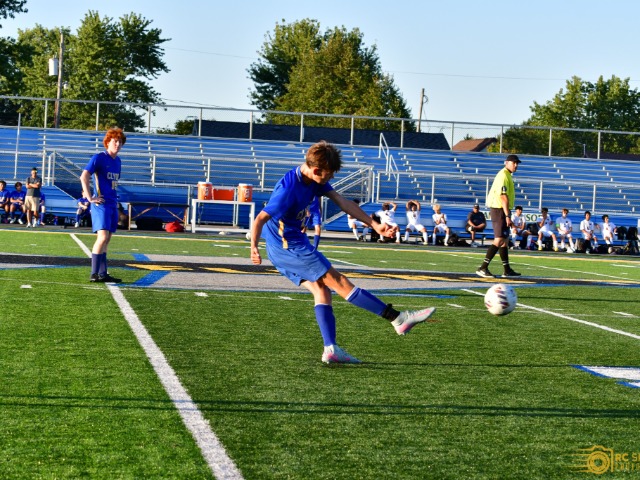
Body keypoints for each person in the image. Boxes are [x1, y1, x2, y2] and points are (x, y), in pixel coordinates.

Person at [250, 141, 436, 364]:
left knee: (322, 290)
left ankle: (331, 349)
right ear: (316, 170)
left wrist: (374, 225)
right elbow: (260, 218)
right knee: (339, 282)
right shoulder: (288, 190)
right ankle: (397, 318)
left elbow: (343, 202)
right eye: (329, 175)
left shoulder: (313, 178)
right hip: (287, 246)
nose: (331, 178)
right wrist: (254, 247)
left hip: (293, 243)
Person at [80, 127, 126, 283]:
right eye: (115, 141)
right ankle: (94, 273)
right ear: (108, 142)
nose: (118, 144)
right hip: (101, 204)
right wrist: (89, 198)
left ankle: (102, 273)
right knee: (103, 237)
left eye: (120, 142)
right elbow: (84, 176)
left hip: (112, 203)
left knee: (107, 239)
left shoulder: (118, 161)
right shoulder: (99, 157)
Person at [476, 154, 521, 278]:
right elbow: (503, 196)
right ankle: (483, 267)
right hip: (499, 209)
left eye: (517, 163)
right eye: (514, 163)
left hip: (502, 209)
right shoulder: (503, 176)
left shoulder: (507, 175)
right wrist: (507, 215)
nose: (516, 165)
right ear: (506, 163)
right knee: (499, 239)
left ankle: (507, 270)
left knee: (505, 241)